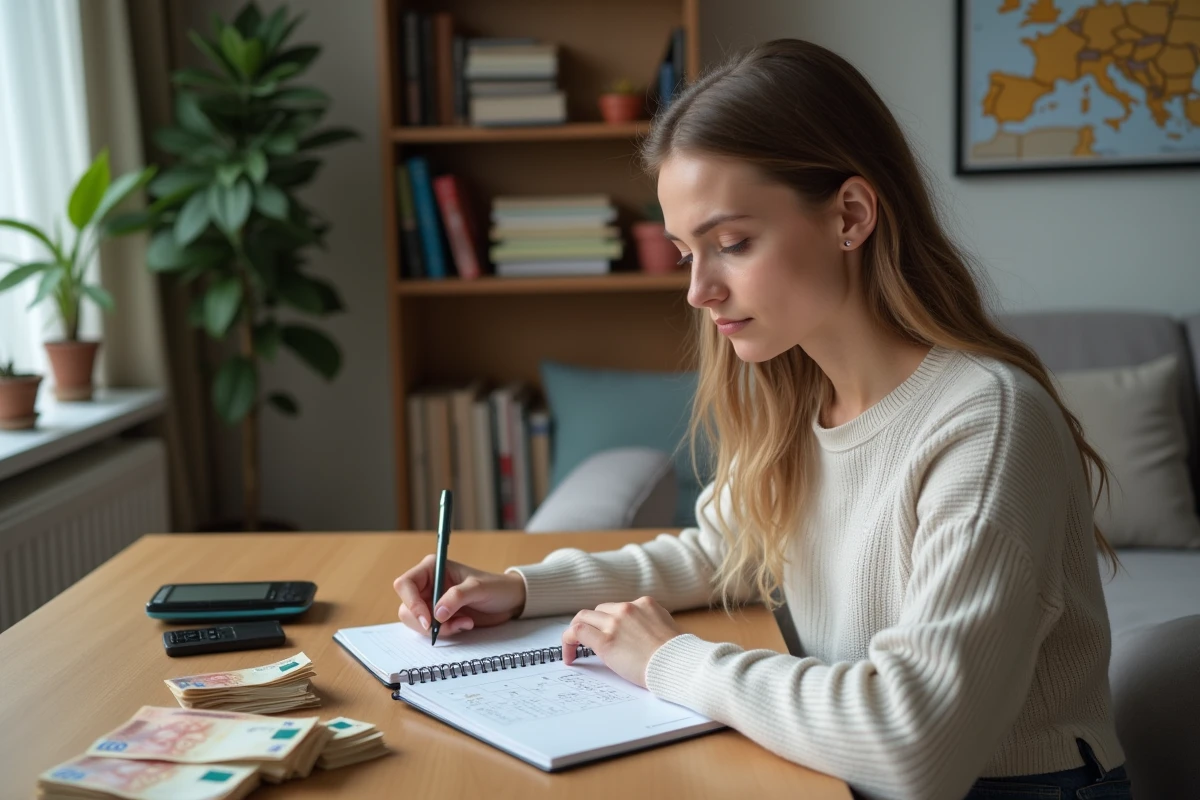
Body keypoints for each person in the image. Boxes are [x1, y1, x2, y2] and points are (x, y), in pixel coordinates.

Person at [392, 39, 1133, 800]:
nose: (699, 291)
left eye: (732, 244)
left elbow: (916, 746)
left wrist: (671, 660)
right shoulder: (800, 393)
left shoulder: (988, 423)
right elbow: (724, 550)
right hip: (842, 772)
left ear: (850, 215)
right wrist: (517, 588)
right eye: (686, 254)